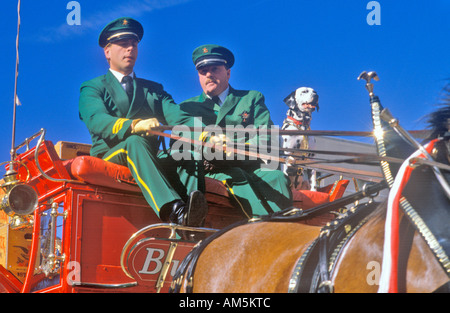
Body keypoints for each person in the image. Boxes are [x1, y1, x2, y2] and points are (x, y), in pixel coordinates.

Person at [78, 17, 207, 230]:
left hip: (149, 158)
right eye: (122, 44)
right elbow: (97, 120)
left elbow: (178, 116)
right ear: (107, 52)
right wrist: (134, 125)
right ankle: (174, 211)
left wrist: (205, 134)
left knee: (188, 152)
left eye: (134, 44)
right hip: (112, 155)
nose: (130, 48)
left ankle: (193, 220)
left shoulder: (153, 89)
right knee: (135, 142)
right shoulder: (92, 88)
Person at [178, 44, 292, 217]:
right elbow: (180, 147)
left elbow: (267, 138)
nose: (209, 74)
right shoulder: (187, 108)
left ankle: (288, 231)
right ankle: (265, 227)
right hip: (212, 170)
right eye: (203, 71)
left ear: (228, 73)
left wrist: (232, 145)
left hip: (250, 166)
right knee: (236, 178)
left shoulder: (251, 98)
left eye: (215, 69)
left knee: (276, 176)